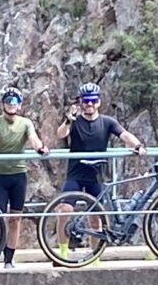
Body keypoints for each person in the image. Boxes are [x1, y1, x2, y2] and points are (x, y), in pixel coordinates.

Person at [0, 88, 43, 267]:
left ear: (19, 105)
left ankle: (9, 258)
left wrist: (40, 148)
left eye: (14, 103)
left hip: (18, 175)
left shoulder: (25, 123)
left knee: (15, 218)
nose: (11, 105)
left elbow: (34, 139)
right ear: (3, 104)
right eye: (8, 102)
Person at [60, 84, 140, 215]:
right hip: (75, 174)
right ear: (81, 102)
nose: (90, 103)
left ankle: (95, 235)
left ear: (99, 102)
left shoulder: (107, 122)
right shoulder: (75, 121)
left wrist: (138, 145)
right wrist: (68, 121)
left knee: (96, 217)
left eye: (94, 100)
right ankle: (62, 236)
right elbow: (61, 134)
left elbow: (124, 134)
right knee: (64, 209)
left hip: (97, 175)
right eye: (86, 100)